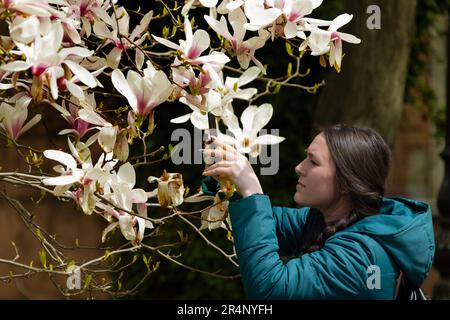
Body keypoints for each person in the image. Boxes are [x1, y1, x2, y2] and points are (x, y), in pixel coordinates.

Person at [201, 124, 435, 300]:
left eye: (313, 161)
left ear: (345, 183)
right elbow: (256, 223)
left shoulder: (362, 259)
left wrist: (252, 189)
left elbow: (270, 290)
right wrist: (225, 179)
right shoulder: (328, 221)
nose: (299, 168)